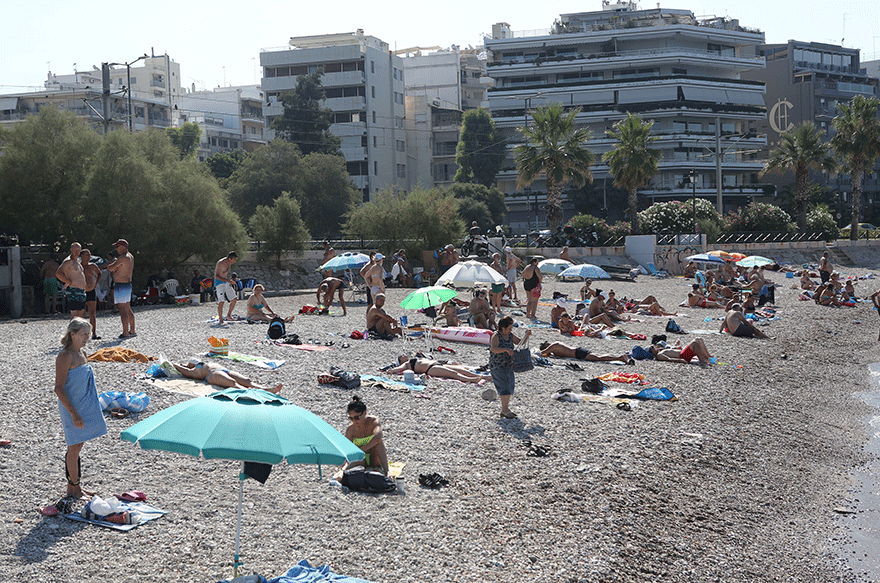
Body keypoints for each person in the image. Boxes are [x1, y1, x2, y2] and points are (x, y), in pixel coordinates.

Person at [54, 318, 107, 499]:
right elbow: (58, 388)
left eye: (88, 334)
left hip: (83, 405)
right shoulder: (65, 356)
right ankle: (73, 489)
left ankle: (75, 487)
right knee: (74, 446)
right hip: (72, 407)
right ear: (72, 334)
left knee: (78, 445)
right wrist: (74, 413)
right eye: (84, 334)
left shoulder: (82, 353)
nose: (87, 338)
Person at [489, 316, 530, 419]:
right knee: (503, 387)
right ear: (502, 327)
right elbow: (493, 349)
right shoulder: (496, 335)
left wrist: (526, 335)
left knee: (509, 386)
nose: (510, 330)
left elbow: (520, 342)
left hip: (509, 365)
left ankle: (505, 409)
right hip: (497, 365)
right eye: (509, 328)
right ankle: (504, 409)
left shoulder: (510, 335)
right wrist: (506, 350)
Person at [340, 396, 388, 476]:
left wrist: (361, 449)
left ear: (364, 413)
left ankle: (387, 471)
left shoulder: (373, 421)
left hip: (374, 458)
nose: (354, 421)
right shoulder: (350, 430)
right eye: (351, 418)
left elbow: (378, 436)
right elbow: (345, 451)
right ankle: (341, 474)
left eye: (357, 417)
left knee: (379, 443)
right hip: (361, 461)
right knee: (356, 460)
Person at [172, 360, 282, 393]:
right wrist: (174, 364)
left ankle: (266, 389)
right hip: (212, 375)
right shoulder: (193, 371)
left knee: (248, 381)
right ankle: (252, 394)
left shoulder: (198, 365)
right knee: (232, 383)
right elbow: (185, 371)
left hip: (224, 370)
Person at [102, 239, 136, 338]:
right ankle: (132, 330)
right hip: (127, 284)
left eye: (117, 247)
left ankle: (125, 332)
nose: (116, 249)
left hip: (120, 284)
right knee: (128, 308)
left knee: (122, 309)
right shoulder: (130, 256)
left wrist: (113, 266)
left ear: (122, 247)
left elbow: (110, 268)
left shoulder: (122, 258)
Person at [389, 353, 487, 383]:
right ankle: (470, 380)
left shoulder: (415, 357)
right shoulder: (406, 364)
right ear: (400, 361)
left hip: (437, 364)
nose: (403, 354)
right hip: (430, 369)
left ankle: (487, 377)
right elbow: (396, 369)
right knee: (453, 374)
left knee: (461, 369)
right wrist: (391, 370)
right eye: (400, 356)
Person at [55, 242, 87, 319]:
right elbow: (58, 273)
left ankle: (78, 331)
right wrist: (67, 281)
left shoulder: (77, 261)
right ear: (71, 250)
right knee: (75, 314)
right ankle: (72, 331)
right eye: (75, 250)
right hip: (73, 290)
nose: (77, 252)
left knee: (81, 314)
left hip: (81, 291)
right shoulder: (68, 261)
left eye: (78, 250)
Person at [539, 341, 634, 364]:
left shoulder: (554, 345)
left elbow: (543, 353)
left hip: (577, 353)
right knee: (598, 357)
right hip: (577, 352)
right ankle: (619, 357)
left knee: (598, 358)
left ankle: (620, 358)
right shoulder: (555, 348)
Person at [80, 249, 102, 340]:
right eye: (86, 255)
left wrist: (95, 284)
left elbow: (99, 274)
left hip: (91, 290)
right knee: (82, 313)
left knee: (92, 313)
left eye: (89, 255)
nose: (88, 257)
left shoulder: (93, 266)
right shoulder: (79, 266)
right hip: (81, 291)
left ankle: (93, 333)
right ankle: (83, 334)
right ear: (81, 256)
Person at [213, 251, 239, 323]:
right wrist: (226, 280)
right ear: (230, 258)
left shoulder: (229, 263)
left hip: (226, 282)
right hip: (219, 283)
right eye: (234, 259)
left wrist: (229, 280)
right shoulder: (221, 263)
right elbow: (216, 276)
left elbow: (225, 273)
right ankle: (220, 318)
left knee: (234, 298)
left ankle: (229, 315)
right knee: (221, 301)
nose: (235, 261)